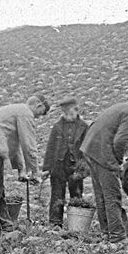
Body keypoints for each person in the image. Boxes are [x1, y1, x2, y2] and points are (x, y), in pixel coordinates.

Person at [79, 97, 128, 243]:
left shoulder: (124, 106)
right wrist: (118, 163)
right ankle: (117, 236)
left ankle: (107, 232)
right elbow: (120, 140)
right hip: (102, 153)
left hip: (91, 149)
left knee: (102, 194)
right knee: (112, 195)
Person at [0, 96, 49, 240]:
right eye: (40, 114)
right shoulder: (25, 113)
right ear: (38, 105)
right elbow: (29, 144)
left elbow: (15, 144)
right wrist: (35, 172)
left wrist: (21, 170)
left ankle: (6, 226)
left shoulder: (16, 110)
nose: (37, 118)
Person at [42, 97, 89, 228]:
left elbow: (87, 148)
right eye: (65, 112)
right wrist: (46, 168)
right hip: (59, 166)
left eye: (70, 111)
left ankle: (77, 225)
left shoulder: (84, 127)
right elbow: (50, 148)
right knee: (57, 194)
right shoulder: (57, 127)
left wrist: (85, 168)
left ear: (76, 110)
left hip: (76, 166)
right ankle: (55, 223)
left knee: (77, 194)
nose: (67, 115)